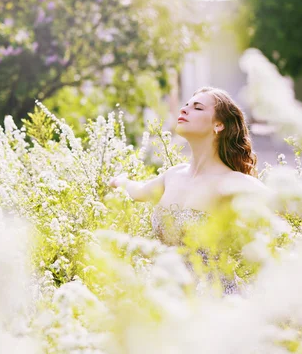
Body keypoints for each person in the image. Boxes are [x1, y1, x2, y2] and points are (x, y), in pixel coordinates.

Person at [109, 86, 264, 295]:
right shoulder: (173, 175)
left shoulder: (231, 182)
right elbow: (139, 191)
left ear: (218, 125)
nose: (184, 110)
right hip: (169, 299)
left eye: (197, 108)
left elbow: (294, 205)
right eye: (186, 105)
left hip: (214, 305)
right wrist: (119, 181)